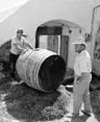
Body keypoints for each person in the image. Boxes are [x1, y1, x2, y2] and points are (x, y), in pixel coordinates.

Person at [70, 36, 92, 118]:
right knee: (85, 94)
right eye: (75, 45)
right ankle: (87, 110)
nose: (75, 47)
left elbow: (83, 72)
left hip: (82, 77)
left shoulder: (83, 57)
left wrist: (78, 80)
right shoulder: (83, 54)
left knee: (77, 95)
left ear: (82, 46)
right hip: (86, 76)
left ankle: (75, 114)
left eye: (77, 45)